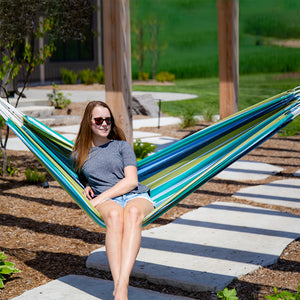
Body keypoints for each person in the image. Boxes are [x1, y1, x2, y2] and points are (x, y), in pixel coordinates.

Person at [72, 101, 154, 300]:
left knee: (133, 213)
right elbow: (76, 176)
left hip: (134, 195)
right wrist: (85, 185)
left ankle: (121, 287)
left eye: (108, 120)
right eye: (98, 120)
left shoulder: (121, 146)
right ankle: (121, 288)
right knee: (116, 215)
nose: (104, 124)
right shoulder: (78, 155)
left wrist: (99, 198)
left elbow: (131, 181)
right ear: (88, 123)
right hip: (110, 202)